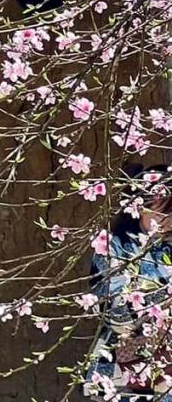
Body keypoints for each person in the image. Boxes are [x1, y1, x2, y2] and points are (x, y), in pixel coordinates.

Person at [86, 167, 172, 398]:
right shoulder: (111, 248)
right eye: (160, 209)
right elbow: (117, 315)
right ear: (137, 206)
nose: (166, 218)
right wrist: (164, 293)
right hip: (122, 371)